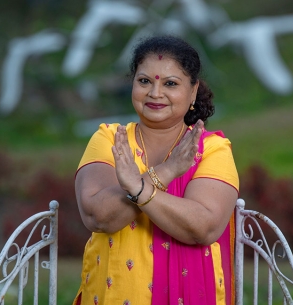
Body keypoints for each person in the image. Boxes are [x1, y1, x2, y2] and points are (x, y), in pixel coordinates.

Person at [73, 35, 239, 305]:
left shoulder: (212, 149)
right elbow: (98, 217)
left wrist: (136, 187)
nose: (155, 93)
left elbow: (203, 228)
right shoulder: (109, 139)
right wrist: (166, 171)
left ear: (193, 91)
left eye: (170, 83)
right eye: (144, 81)